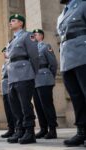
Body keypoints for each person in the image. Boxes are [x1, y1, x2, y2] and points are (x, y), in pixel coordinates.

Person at [57, 0, 86, 147]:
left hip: (83, 54)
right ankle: (82, 131)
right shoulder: (62, 14)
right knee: (76, 97)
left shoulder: (83, 5)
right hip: (67, 60)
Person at [6, 14, 39, 144]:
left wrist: (32, 72)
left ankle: (29, 132)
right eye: (10, 21)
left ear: (21, 23)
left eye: (13, 20)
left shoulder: (27, 36)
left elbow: (35, 56)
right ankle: (20, 130)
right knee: (15, 105)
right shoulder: (12, 41)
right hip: (13, 76)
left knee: (25, 104)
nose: (10, 23)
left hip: (24, 73)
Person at [32, 29, 58, 139]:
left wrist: (49, 75)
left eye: (36, 34)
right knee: (38, 106)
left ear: (41, 36)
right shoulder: (32, 50)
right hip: (34, 80)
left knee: (47, 105)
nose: (34, 36)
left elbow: (53, 63)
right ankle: (43, 128)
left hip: (44, 78)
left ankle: (52, 129)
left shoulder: (45, 46)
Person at [0, 47, 16, 138]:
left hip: (10, 86)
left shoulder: (11, 61)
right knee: (8, 110)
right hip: (4, 88)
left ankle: (16, 128)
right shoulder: (4, 63)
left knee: (13, 109)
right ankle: (11, 128)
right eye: (3, 52)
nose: (4, 53)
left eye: (5, 51)